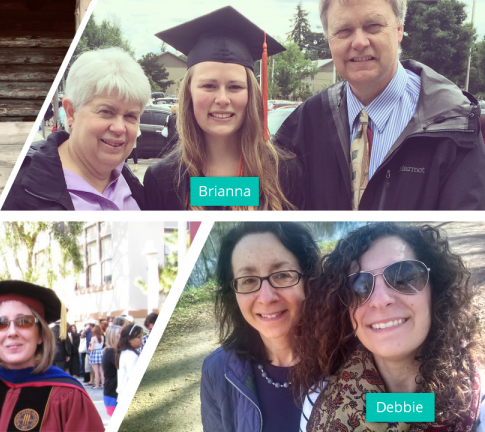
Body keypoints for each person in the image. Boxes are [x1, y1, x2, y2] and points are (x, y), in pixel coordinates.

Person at [274, 0, 485, 210]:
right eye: (344, 30)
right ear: (329, 39)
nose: (359, 42)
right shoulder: (306, 123)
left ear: (399, 29)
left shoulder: (453, 125)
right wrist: (241, 142)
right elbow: (258, 195)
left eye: (373, 26)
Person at [295, 223, 485, 430]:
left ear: (436, 291)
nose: (380, 300)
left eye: (403, 277)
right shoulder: (318, 401)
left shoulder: (479, 402)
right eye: (359, 286)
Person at [143, 6, 300, 211]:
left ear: (250, 94)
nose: (223, 99)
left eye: (235, 87)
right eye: (209, 86)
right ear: (189, 92)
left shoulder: (284, 171)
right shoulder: (162, 178)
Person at [201, 222, 320, 432]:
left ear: (308, 280)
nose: (266, 298)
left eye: (282, 275)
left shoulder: (347, 357)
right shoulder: (217, 370)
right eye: (248, 280)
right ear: (233, 293)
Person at [2, 47, 150, 211]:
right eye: (106, 112)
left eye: (130, 116)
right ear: (71, 112)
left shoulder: (136, 185)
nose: (119, 128)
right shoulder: (15, 189)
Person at [0, 280, 105, 431]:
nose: (12, 332)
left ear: (40, 335)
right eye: (1, 323)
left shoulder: (69, 396)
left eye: (24, 321)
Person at [117, 324, 143, 398]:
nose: (141, 339)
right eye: (138, 337)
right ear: (129, 340)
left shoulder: (126, 352)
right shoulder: (131, 355)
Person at [102, 324, 122, 416]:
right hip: (112, 393)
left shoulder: (110, 351)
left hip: (111, 392)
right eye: (120, 334)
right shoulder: (111, 352)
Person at [89, 323, 105, 389]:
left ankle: (97, 385)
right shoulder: (102, 337)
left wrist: (89, 348)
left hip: (95, 353)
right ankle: (103, 384)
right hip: (101, 352)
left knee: (96, 371)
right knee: (101, 370)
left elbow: (92, 348)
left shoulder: (93, 338)